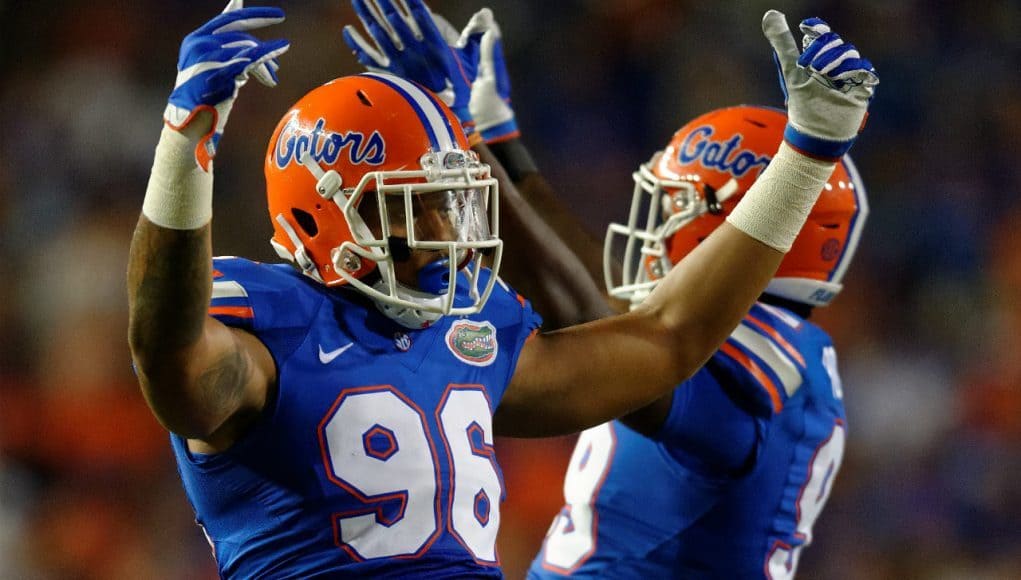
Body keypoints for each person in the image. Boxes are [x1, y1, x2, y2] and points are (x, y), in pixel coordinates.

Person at [128, 2, 876, 579]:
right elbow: (169, 352)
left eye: (458, 199)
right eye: (419, 202)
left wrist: (805, 156)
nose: (455, 232)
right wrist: (183, 148)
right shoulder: (268, 329)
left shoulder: (469, 332)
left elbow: (666, 340)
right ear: (325, 212)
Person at [363, 6, 877, 578]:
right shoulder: (780, 349)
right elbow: (615, 309)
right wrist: (499, 142)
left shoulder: (761, 375)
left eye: (675, 208)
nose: (653, 230)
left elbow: (597, 323)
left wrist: (466, 144)